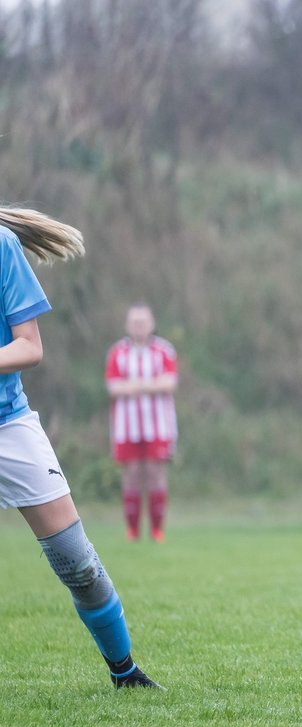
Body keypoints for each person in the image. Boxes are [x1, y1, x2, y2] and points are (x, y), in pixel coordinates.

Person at [0, 205, 161, 689]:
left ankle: (125, 672)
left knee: (78, 562)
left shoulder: (2, 246)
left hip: (9, 426)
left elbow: (30, 346)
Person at [105, 303, 178, 543]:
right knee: (133, 474)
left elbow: (169, 383)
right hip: (127, 427)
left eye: (143, 322)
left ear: (151, 324)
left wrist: (134, 386)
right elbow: (113, 387)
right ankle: (132, 530)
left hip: (158, 425)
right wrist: (150, 385)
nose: (139, 327)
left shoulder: (164, 350)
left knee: (156, 473)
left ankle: (157, 530)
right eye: (135, 322)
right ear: (128, 325)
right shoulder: (117, 352)